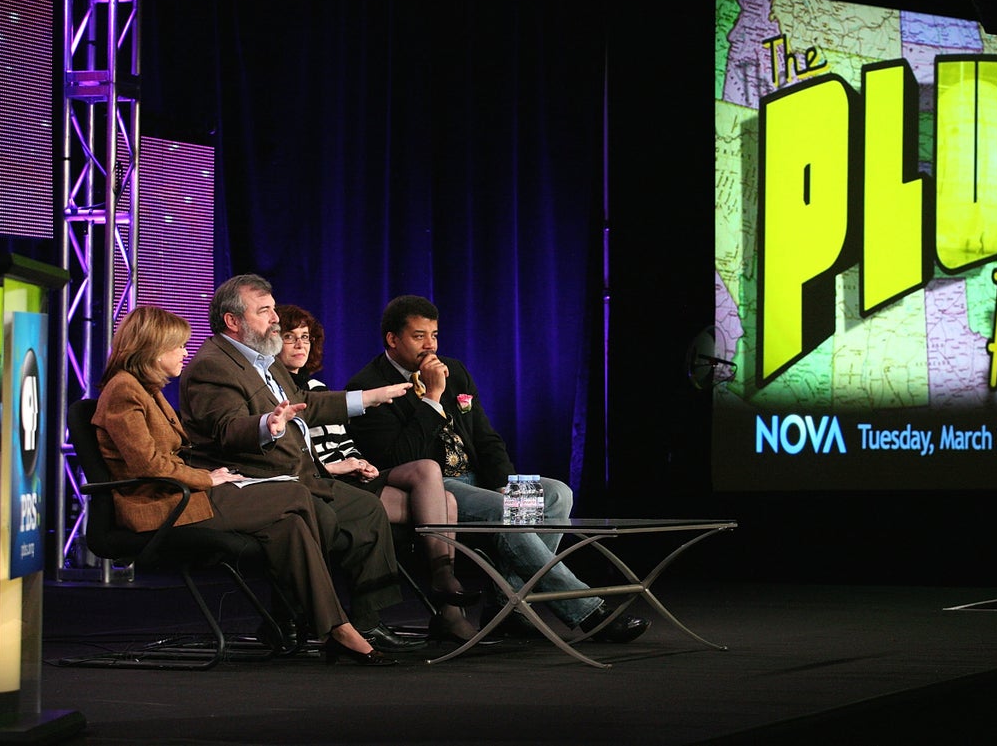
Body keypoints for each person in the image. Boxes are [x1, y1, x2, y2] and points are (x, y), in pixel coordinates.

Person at [92, 306, 394, 666]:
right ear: (151, 348)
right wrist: (208, 477)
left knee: (290, 523)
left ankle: (331, 627)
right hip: (164, 504)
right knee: (296, 496)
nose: (185, 353)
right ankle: (326, 624)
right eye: (178, 347)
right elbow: (149, 466)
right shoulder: (124, 390)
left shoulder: (147, 389)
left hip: (187, 492)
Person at [345, 294, 650, 643]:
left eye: (434, 335)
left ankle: (509, 606)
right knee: (510, 514)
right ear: (392, 339)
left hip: (478, 481)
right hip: (437, 489)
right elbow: (399, 458)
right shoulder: (367, 386)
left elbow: (486, 438)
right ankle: (588, 611)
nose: (430, 345)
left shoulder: (454, 370)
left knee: (555, 495)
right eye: (419, 336)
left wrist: (504, 482)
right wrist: (431, 398)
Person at [177, 273, 424, 654]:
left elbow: (307, 403)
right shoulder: (213, 366)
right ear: (233, 321)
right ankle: (297, 617)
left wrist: (368, 398)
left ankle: (366, 620)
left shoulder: (265, 360)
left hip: (302, 474)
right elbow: (226, 429)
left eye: (273, 309)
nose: (275, 319)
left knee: (367, 510)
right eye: (265, 311)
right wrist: (267, 424)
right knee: (320, 518)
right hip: (261, 478)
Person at [275, 303, 482, 643]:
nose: (300, 345)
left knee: (438, 486)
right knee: (444, 500)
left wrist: (357, 460)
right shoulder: (276, 392)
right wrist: (334, 467)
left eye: (306, 338)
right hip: (323, 482)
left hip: (353, 475)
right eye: (289, 338)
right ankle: (442, 600)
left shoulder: (319, 387)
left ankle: (446, 594)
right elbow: (291, 455)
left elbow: (340, 440)